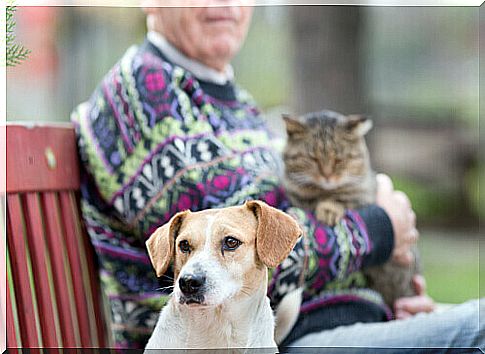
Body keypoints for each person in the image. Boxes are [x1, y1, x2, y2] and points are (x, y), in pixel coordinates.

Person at [71, 2, 483, 351]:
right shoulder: (145, 92)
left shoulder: (228, 95)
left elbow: (274, 233)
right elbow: (238, 257)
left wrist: (396, 295)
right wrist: (381, 228)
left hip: (298, 320)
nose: (225, 6)